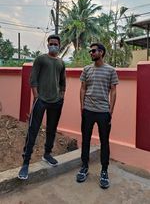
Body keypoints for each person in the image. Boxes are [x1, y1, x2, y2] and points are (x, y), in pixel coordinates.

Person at [18, 34, 66, 180]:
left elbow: (63, 81)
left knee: (52, 129)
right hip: (41, 101)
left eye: (56, 44)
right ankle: (25, 163)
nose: (53, 46)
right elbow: (33, 79)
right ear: (48, 45)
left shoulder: (61, 63)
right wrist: (37, 97)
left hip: (56, 102)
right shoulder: (41, 59)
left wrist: (62, 96)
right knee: (33, 130)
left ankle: (47, 154)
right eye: (51, 43)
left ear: (59, 45)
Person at [76, 43, 118, 189]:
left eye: (93, 51)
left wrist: (110, 111)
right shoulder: (86, 69)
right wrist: (82, 106)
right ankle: (84, 167)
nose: (91, 53)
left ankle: (104, 171)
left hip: (103, 112)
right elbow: (82, 88)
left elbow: (113, 91)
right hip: (87, 110)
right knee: (86, 140)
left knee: (104, 142)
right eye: (90, 51)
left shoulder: (111, 70)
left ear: (101, 52)